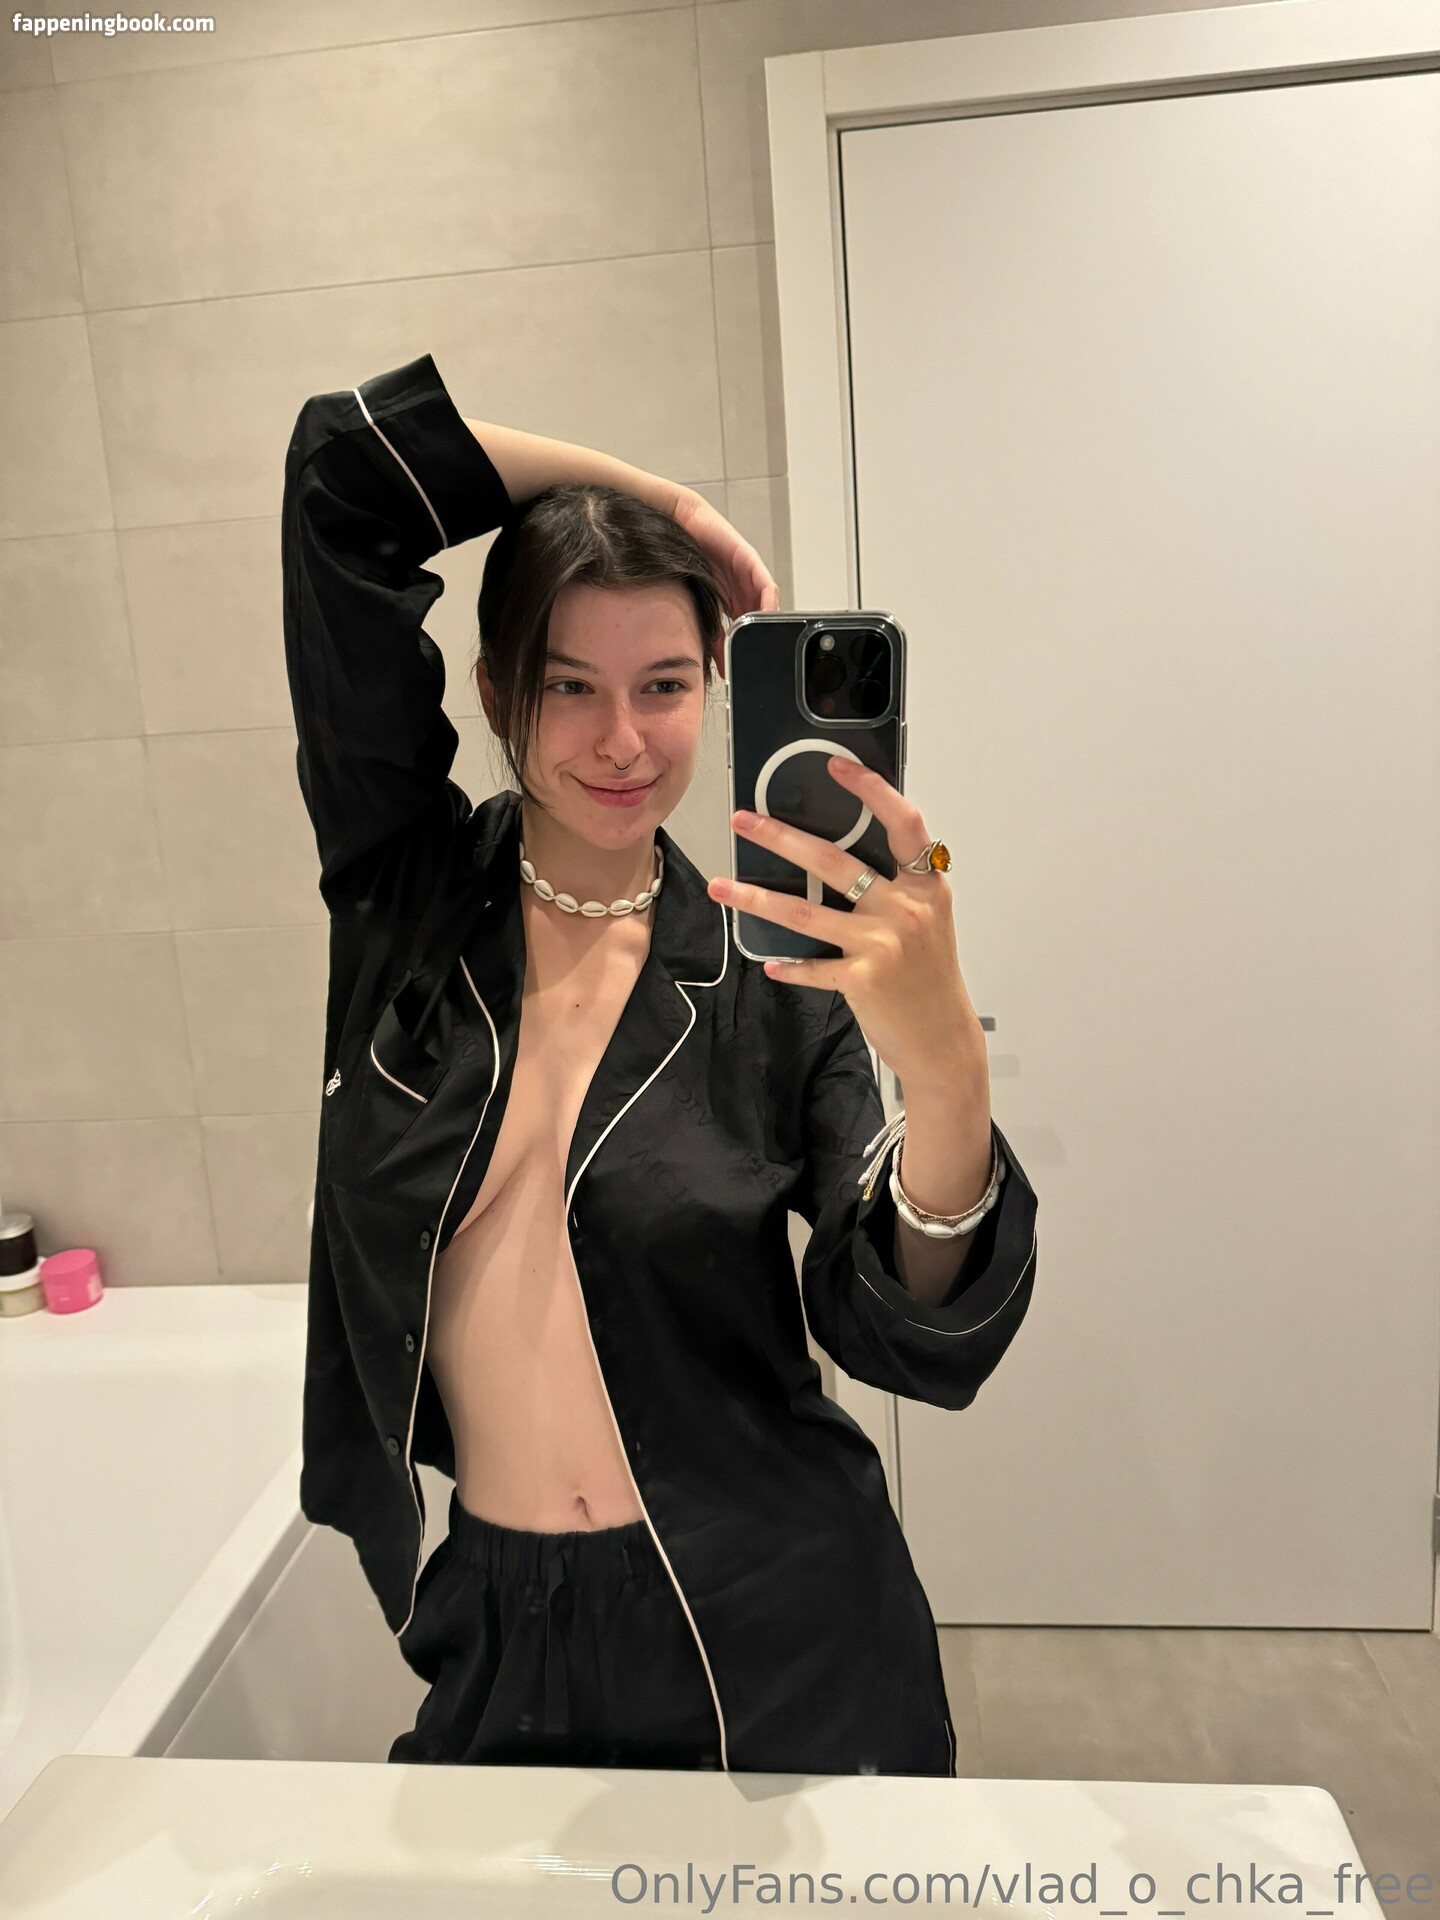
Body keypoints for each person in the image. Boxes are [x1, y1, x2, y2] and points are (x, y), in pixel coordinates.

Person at [282, 352, 1038, 1776]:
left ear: (713, 690)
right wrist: (658, 501)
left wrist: (949, 1079)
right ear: (496, 689)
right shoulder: (407, 901)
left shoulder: (769, 971)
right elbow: (340, 477)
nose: (622, 741)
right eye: (569, 685)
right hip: (497, 1619)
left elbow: (904, 1336)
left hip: (777, 1623)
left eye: (665, 683)